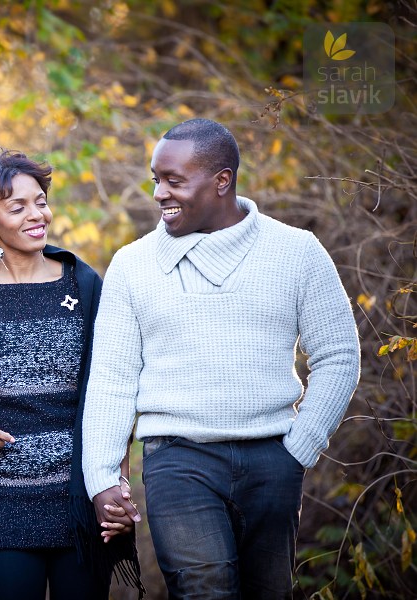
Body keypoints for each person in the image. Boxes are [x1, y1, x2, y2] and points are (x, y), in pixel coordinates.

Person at [82, 118, 361, 599]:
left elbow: (339, 355)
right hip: (177, 459)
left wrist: (300, 447)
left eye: (173, 181)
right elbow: (111, 379)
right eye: (156, 180)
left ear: (222, 180)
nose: (159, 194)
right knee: (204, 589)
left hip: (273, 458)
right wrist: (102, 477)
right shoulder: (132, 265)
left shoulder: (296, 252)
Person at [0, 150, 144, 599]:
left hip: (80, 493)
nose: (37, 215)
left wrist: (117, 481)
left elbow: (114, 389)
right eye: (18, 207)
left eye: (41, 202)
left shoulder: (83, 285)